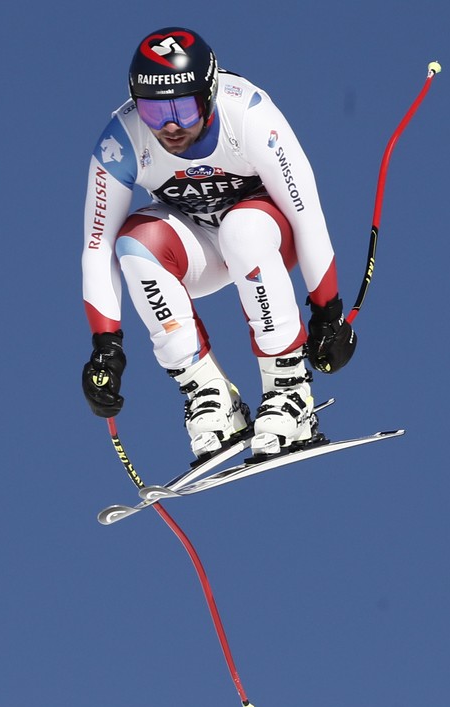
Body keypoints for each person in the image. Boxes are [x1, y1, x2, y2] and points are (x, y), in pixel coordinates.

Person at [79, 27, 357, 462]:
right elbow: (96, 246)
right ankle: (210, 397)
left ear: (208, 95)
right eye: (153, 113)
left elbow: (306, 214)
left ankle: (289, 392)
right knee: (133, 243)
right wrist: (106, 348)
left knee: (241, 228)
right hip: (199, 249)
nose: (170, 126)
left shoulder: (247, 114)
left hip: (264, 237)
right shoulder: (121, 141)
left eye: (183, 110)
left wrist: (328, 311)